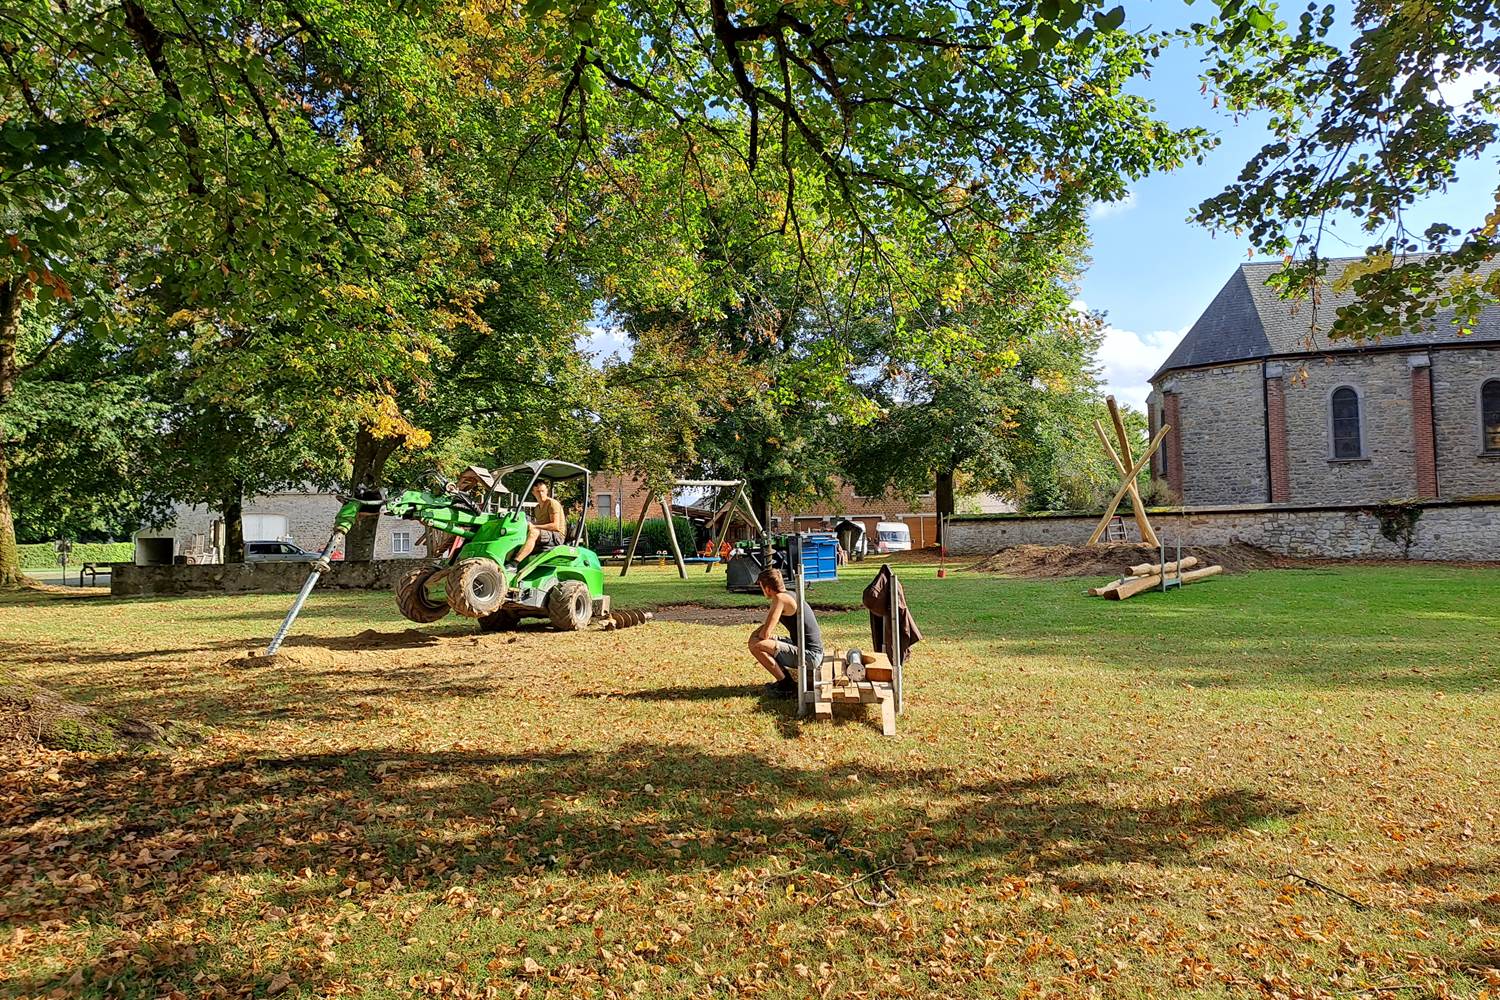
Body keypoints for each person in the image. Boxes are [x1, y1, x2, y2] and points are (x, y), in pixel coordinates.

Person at [747, 567, 823, 700]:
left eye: (761, 587)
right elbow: (767, 629)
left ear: (767, 588)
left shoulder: (780, 599)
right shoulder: (790, 594)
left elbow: (764, 634)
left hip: (810, 656)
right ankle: (785, 681)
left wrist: (757, 635)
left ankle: (787, 686)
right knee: (758, 641)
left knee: (755, 644)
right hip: (808, 649)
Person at [510, 480, 566, 567]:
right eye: (538, 491)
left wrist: (534, 526)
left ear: (547, 491)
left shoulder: (552, 503)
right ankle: (507, 561)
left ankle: (514, 564)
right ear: (533, 493)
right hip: (545, 534)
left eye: (543, 491)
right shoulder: (536, 508)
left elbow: (555, 526)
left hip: (557, 536)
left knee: (534, 532)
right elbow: (539, 524)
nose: (541, 494)